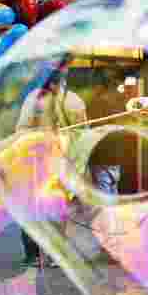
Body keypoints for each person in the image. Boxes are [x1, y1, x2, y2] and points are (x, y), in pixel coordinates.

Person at [16, 71, 87, 267]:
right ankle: (52, 255)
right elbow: (82, 137)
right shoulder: (74, 101)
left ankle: (40, 255)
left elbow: (21, 130)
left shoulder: (34, 99)